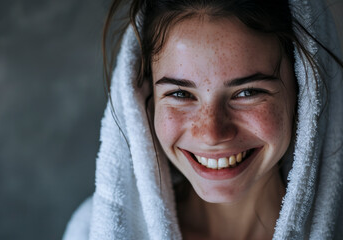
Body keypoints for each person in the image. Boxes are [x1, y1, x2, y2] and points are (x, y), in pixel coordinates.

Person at [63, 0, 343, 239]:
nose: (212, 133)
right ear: (146, 99)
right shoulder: (88, 229)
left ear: (305, 92)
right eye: (181, 94)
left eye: (247, 92)